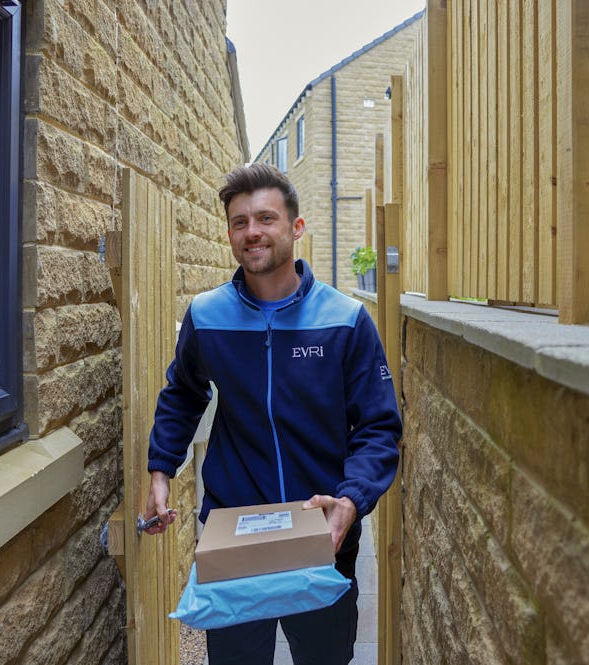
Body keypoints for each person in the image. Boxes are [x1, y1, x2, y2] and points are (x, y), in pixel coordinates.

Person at [143, 163, 402, 664]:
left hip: (324, 530)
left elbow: (378, 427)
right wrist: (160, 471)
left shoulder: (345, 320)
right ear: (229, 234)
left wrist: (351, 501)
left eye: (265, 218)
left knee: (324, 658)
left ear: (295, 228)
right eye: (240, 222)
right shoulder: (207, 314)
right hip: (236, 533)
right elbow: (182, 394)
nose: (252, 232)